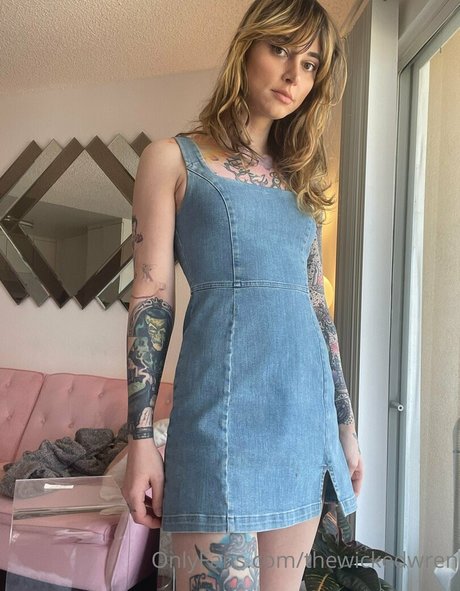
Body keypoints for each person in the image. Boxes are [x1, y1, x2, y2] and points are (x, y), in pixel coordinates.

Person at [122, 0, 364, 589]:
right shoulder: (172, 159)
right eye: (280, 50)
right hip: (218, 420)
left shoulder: (304, 181)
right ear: (246, 49)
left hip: (301, 423)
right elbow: (152, 297)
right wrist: (140, 438)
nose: (293, 75)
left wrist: (345, 427)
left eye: (310, 64)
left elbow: (317, 307)